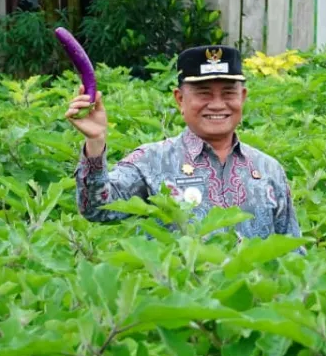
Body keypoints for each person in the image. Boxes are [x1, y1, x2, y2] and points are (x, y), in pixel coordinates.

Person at [65, 45, 301, 238]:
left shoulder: (268, 169)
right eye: (204, 93)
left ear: (243, 97)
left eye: (228, 93)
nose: (217, 104)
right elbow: (97, 209)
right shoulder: (151, 161)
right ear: (180, 99)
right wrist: (95, 142)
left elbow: (293, 250)